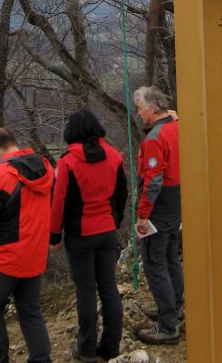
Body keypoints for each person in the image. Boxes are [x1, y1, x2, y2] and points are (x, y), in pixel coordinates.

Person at [0, 126, 55, 363]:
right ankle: (41, 358)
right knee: (30, 311)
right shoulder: (43, 167)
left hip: (5, 258)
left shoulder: (2, 175)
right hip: (34, 254)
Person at [50, 110, 127, 363]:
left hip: (80, 235)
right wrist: (115, 221)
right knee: (109, 288)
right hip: (107, 230)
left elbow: (58, 202)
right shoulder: (114, 156)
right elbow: (121, 193)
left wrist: (54, 235)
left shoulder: (67, 163)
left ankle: (85, 348)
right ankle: (112, 344)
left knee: (85, 291)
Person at [133, 85, 183, 346]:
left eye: (140, 108)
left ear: (152, 107)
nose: (139, 113)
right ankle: (175, 307)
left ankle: (167, 325)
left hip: (159, 206)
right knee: (171, 257)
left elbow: (152, 181)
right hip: (175, 204)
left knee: (155, 262)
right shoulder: (176, 127)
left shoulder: (154, 139)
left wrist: (142, 216)